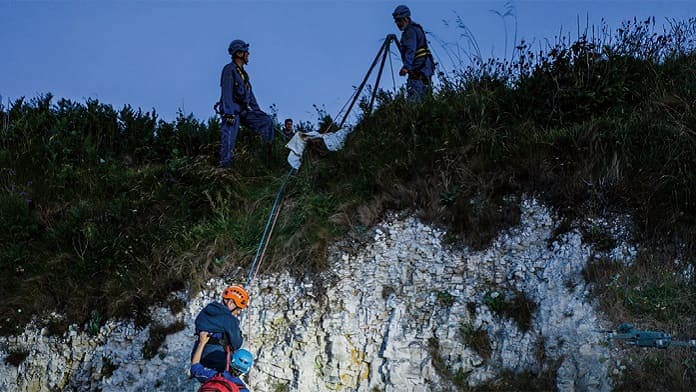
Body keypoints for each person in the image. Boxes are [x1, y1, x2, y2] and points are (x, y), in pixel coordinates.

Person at [218, 39, 274, 168]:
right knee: (229, 139)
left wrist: (259, 114)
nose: (248, 54)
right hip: (232, 112)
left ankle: (267, 158)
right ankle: (224, 170)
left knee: (267, 121)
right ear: (239, 53)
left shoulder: (244, 75)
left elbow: (251, 98)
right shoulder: (229, 70)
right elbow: (226, 93)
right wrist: (228, 114)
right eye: (246, 51)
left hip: (244, 112)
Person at [192, 285, 249, 372]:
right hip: (216, 360)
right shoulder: (230, 320)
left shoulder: (207, 310)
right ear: (230, 303)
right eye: (238, 309)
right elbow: (236, 344)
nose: (238, 313)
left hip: (197, 356)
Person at [391, 5, 435, 102]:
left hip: (418, 71)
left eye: (400, 20)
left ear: (406, 18)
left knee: (414, 102)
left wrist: (406, 67)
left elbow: (411, 50)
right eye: (397, 21)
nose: (398, 23)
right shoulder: (417, 28)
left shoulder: (409, 31)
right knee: (427, 100)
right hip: (425, 70)